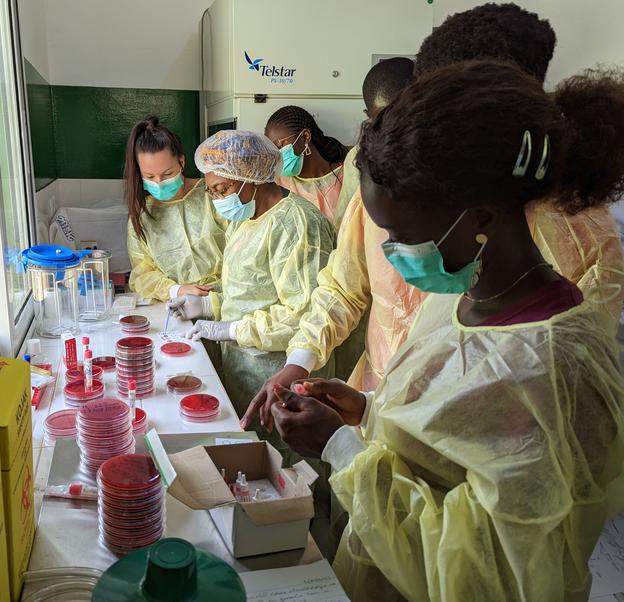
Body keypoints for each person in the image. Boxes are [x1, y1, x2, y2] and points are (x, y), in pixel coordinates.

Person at [265, 61, 624, 602]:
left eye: (403, 235)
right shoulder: (458, 296)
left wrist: (340, 449)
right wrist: (367, 411)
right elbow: (448, 437)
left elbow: (488, 575)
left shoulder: (552, 365)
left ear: (479, 216)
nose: (392, 252)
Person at [243, 2, 624, 431]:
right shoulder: (399, 187)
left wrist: (355, 438)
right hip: (388, 404)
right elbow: (345, 287)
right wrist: (312, 368)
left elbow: (530, 417)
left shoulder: (573, 246)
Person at [166, 130, 335, 418]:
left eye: (222, 189)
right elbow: (248, 287)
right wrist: (207, 303)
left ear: (252, 178)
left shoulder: (298, 225)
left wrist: (232, 329)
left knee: (286, 458)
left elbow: (305, 315)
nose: (217, 199)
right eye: (211, 191)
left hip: (282, 373)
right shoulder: (247, 217)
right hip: (244, 367)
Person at [124, 117, 227, 302]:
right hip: (179, 304)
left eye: (167, 174)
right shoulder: (142, 217)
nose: (159, 182)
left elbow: (243, 248)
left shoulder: (213, 194)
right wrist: (177, 290)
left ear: (181, 162)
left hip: (229, 297)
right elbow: (142, 274)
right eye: (149, 176)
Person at [334, 57, 415, 228]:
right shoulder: (357, 158)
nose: (393, 126)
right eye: (382, 118)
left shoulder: (440, 148)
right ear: (368, 115)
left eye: (401, 114)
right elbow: (344, 222)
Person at [264, 106, 349, 225]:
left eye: (280, 146)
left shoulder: (347, 178)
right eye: (272, 150)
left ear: (305, 137)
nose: (276, 156)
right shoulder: (278, 184)